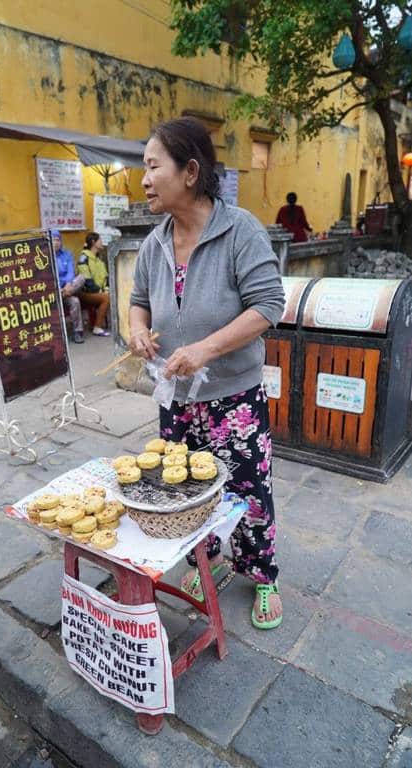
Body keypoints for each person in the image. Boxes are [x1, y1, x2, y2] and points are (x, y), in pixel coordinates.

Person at [129, 117, 285, 630]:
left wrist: (206, 349)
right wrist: (138, 331)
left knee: (247, 490)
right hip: (175, 399)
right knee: (190, 493)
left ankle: (262, 576)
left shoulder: (240, 229)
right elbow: (136, 304)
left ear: (190, 171)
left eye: (154, 166)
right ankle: (209, 561)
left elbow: (268, 305)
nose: (144, 179)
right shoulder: (154, 244)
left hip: (232, 400)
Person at [52, 230, 85, 344]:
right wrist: (61, 285)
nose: (56, 243)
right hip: (53, 290)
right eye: (53, 240)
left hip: (67, 288)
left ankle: (77, 332)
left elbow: (71, 272)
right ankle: (60, 294)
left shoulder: (67, 254)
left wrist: (67, 284)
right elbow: (50, 276)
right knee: (75, 300)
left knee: (81, 278)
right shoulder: (44, 256)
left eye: (57, 240)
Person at [77, 233, 110, 337]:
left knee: (110, 295)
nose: (102, 243)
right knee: (106, 298)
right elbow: (86, 280)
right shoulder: (84, 258)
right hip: (85, 292)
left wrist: (106, 289)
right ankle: (97, 327)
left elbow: (106, 278)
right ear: (93, 242)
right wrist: (100, 291)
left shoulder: (99, 260)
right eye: (100, 240)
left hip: (97, 292)